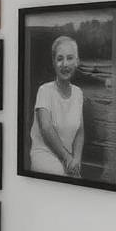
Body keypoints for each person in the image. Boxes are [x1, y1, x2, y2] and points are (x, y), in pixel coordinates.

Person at [29, 35, 85, 178]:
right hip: (44, 156)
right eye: (59, 59)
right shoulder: (44, 90)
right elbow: (46, 129)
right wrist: (67, 159)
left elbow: (80, 131)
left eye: (70, 58)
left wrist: (77, 159)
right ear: (54, 63)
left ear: (77, 61)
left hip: (69, 159)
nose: (65, 64)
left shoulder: (78, 93)